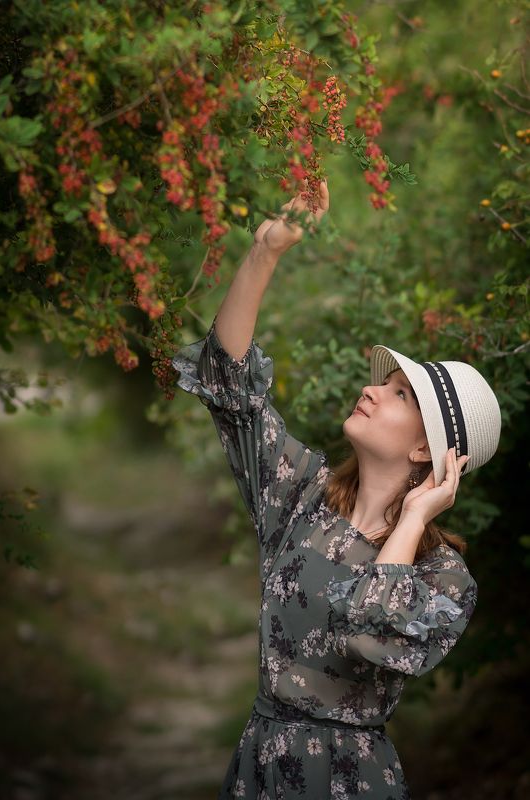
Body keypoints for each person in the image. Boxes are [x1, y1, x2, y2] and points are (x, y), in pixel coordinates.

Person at [172, 180, 502, 799]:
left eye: (400, 394)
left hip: (348, 782)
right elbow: (230, 383)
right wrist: (267, 249)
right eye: (385, 382)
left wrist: (409, 522)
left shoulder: (444, 578)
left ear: (426, 448)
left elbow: (372, 629)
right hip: (260, 767)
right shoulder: (303, 493)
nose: (373, 389)